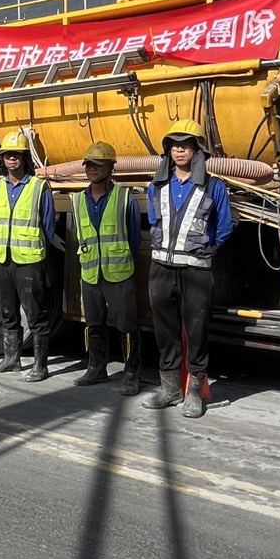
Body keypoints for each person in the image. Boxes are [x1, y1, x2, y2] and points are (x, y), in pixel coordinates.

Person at [144, 120, 233, 417]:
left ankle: (194, 391)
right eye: (174, 145)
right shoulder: (156, 186)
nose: (179, 150)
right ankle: (169, 389)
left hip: (196, 271)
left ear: (197, 151)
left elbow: (224, 227)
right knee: (164, 331)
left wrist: (208, 249)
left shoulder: (214, 186)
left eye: (185, 145)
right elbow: (155, 222)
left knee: (196, 331)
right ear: (168, 151)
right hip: (161, 269)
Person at [70, 141, 144, 392]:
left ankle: (131, 373)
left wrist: (121, 260)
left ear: (111, 167)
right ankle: (96, 369)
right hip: (91, 274)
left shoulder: (124, 197)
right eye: (89, 164)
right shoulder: (78, 199)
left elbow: (134, 238)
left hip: (119, 273)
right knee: (94, 323)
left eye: (98, 164)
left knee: (127, 325)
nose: (92, 169)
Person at [0, 129, 56, 382]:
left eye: (17, 155)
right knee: (8, 312)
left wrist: (39, 256)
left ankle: (41, 365)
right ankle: (11, 359)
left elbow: (47, 227)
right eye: (8, 156)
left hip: (29, 261)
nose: (12, 160)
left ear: (25, 158)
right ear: (2, 159)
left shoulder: (39, 187)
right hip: (2, 260)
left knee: (36, 315)